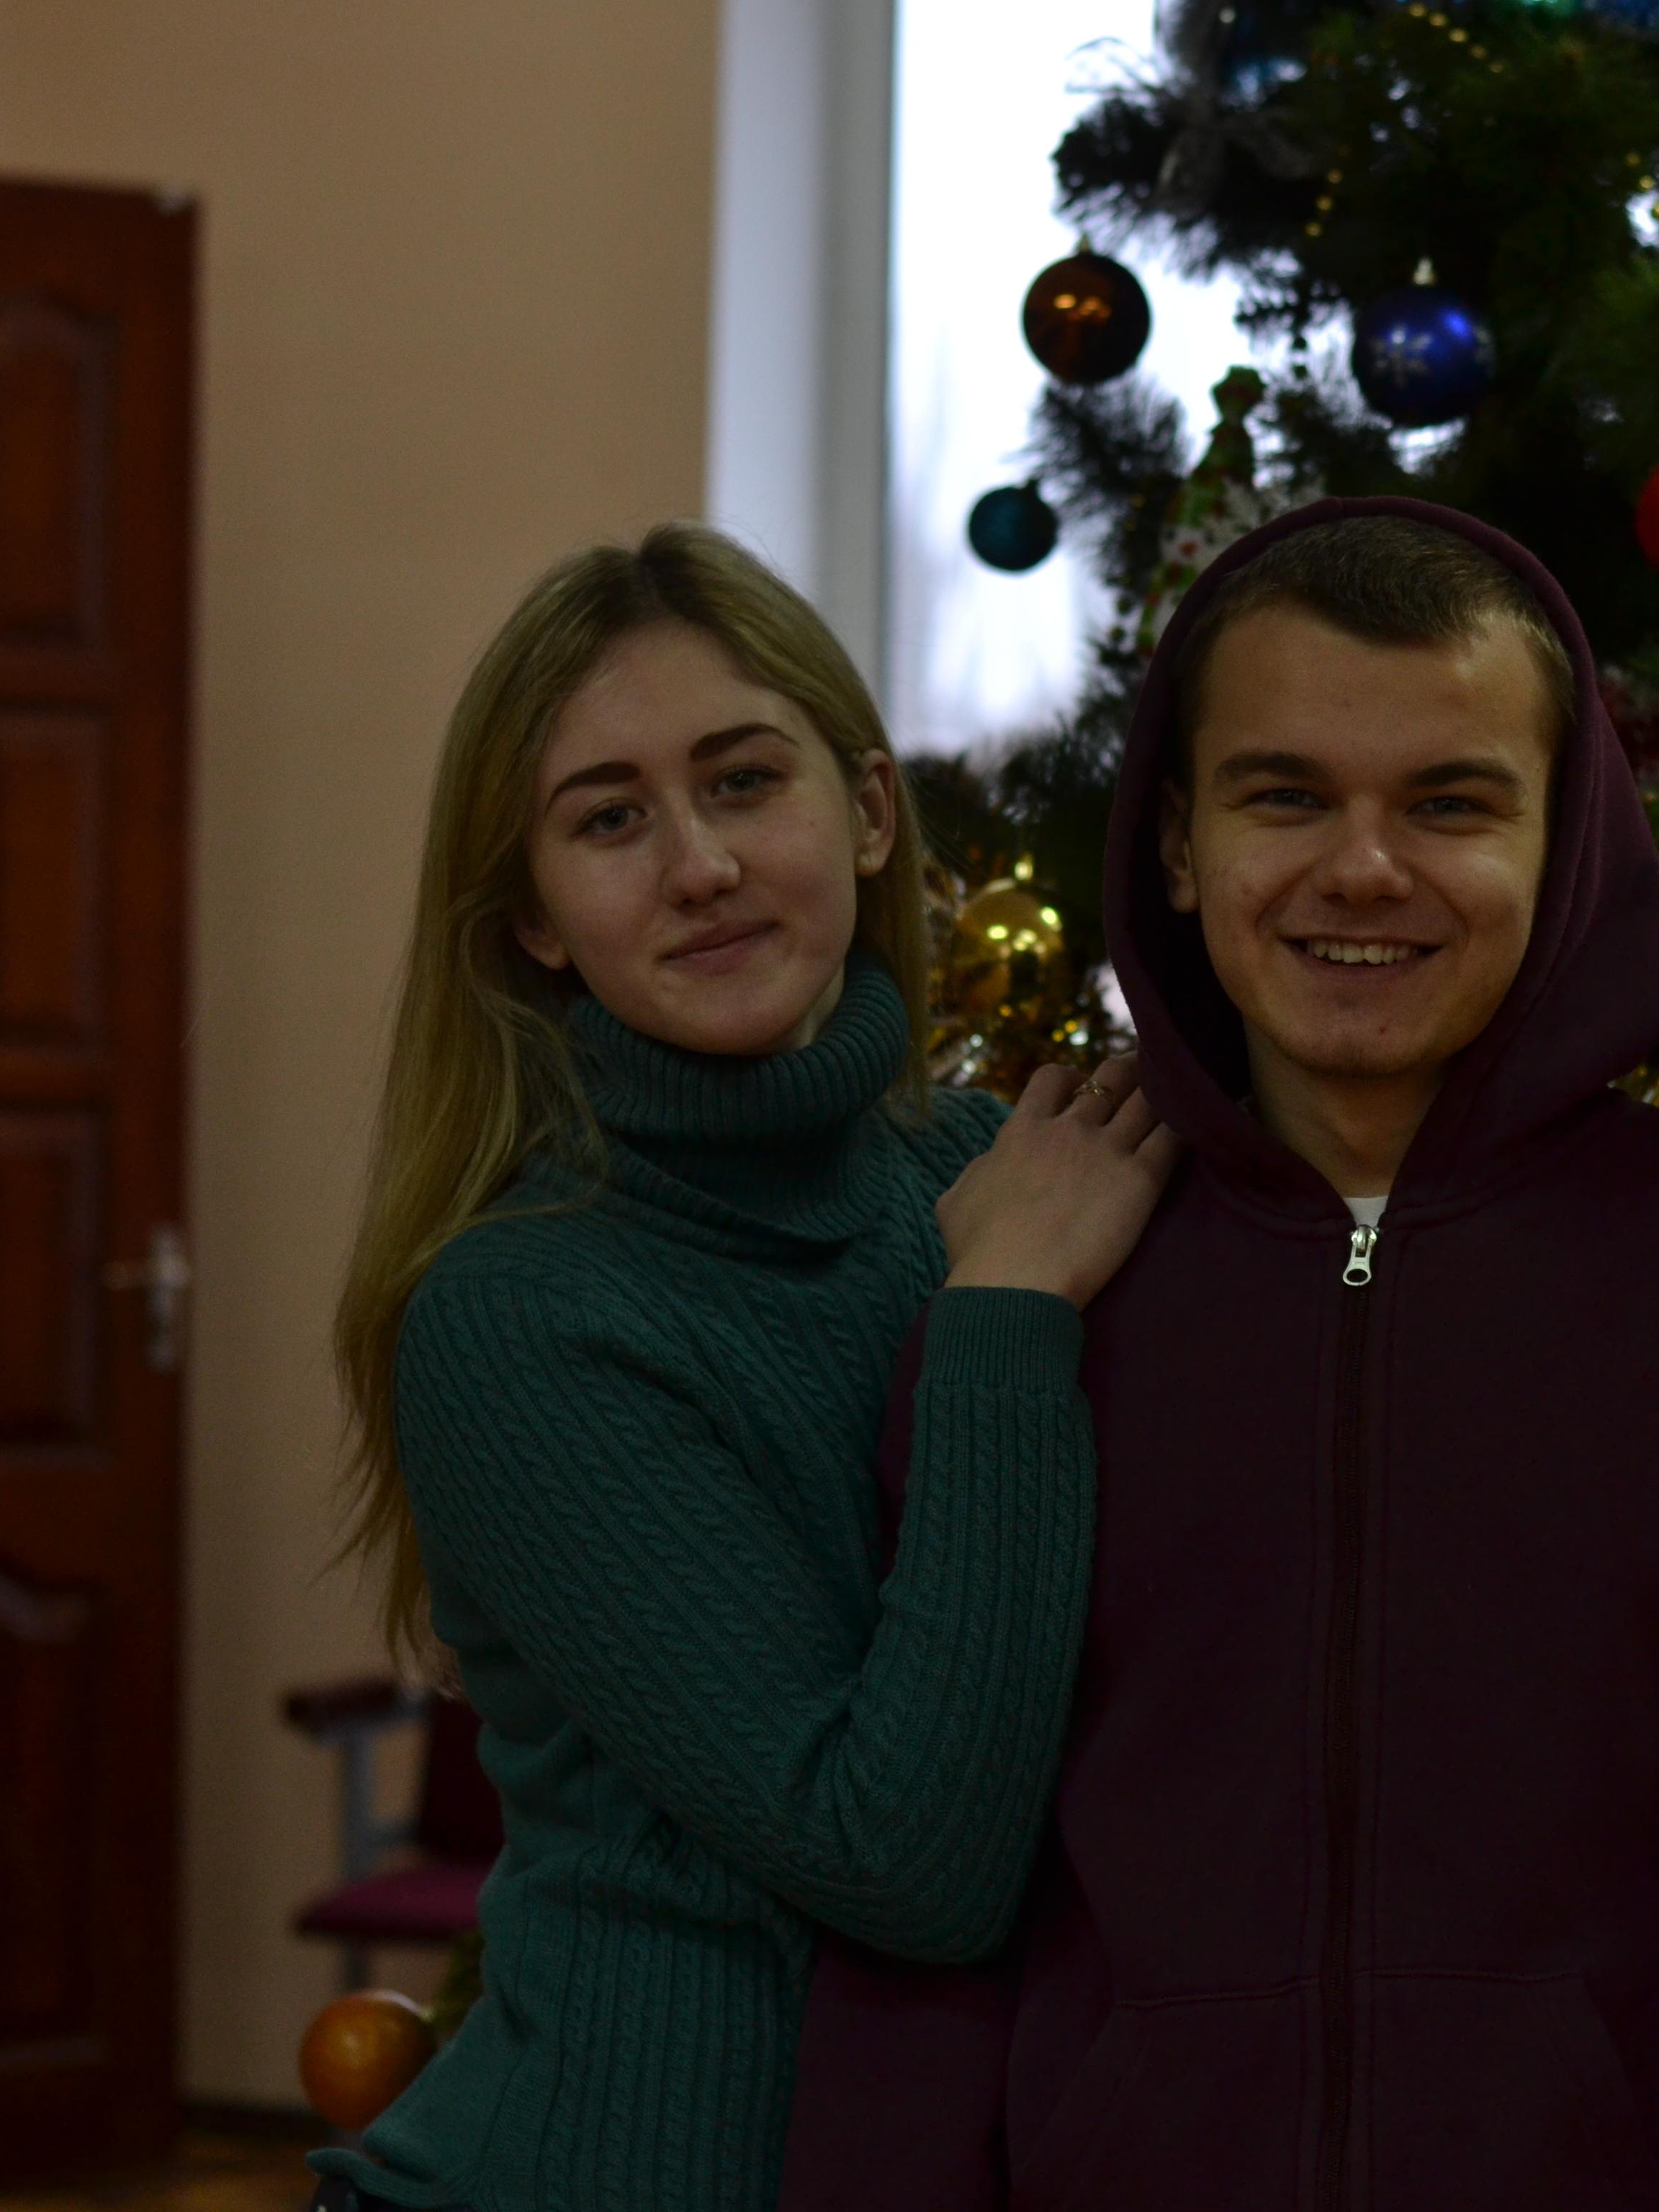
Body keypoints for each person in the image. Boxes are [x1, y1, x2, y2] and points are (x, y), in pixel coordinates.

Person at [783, 501, 1659, 2210]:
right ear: (1178, 844)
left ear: (1564, 845)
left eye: (1450, 804)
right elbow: (924, 1917)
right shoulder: (1027, 1291)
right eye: (1285, 797)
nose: (1362, 869)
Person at [317, 524, 1175, 2212]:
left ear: (868, 813)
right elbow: (904, 1861)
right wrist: (1005, 1310)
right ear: (537, 918)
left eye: (743, 781)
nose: (699, 865)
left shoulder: (1011, 1170)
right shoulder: (521, 1310)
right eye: (610, 820)